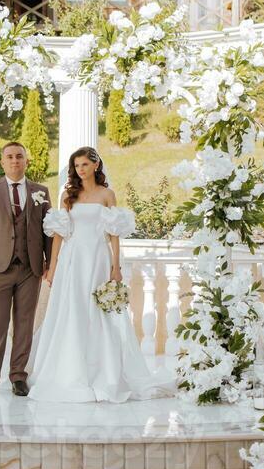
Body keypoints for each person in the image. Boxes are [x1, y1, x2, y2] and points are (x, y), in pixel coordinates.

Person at [27, 146, 173, 403]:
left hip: (97, 258)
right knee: (73, 310)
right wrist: (54, 265)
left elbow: (113, 233)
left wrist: (115, 266)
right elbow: (60, 233)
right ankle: (71, 370)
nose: (80, 169)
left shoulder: (107, 194)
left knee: (100, 311)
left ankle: (104, 370)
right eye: (76, 166)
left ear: (95, 165)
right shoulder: (68, 195)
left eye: (84, 164)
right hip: (73, 259)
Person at [0, 142, 51, 396]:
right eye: (10, 157)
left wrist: (50, 263)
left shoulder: (41, 191)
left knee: (24, 323)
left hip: (31, 268)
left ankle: (18, 376)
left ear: (26, 161)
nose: (15, 160)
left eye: (19, 156)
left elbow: (48, 231)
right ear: (2, 162)